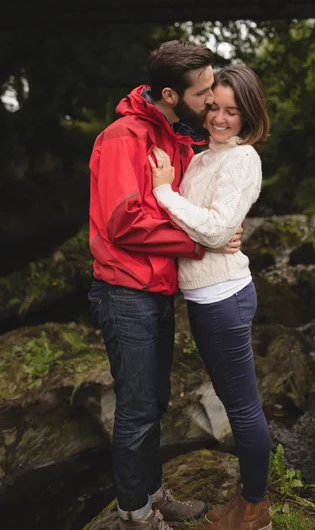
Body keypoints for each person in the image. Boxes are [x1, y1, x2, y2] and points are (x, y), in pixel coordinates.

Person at [87, 41, 242, 530]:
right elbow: (123, 221)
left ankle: (152, 494)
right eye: (204, 94)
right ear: (172, 94)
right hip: (124, 292)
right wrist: (202, 245)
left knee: (152, 401)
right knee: (136, 406)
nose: (212, 100)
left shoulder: (172, 135)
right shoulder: (122, 138)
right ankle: (135, 512)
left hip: (155, 289)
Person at [148, 65, 272, 530]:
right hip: (203, 296)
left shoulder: (243, 159)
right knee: (232, 399)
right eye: (213, 107)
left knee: (241, 406)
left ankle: (255, 508)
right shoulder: (202, 158)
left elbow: (216, 226)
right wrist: (206, 225)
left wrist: (164, 192)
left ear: (249, 114)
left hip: (223, 296)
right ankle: (247, 500)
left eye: (231, 112)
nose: (218, 119)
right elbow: (202, 225)